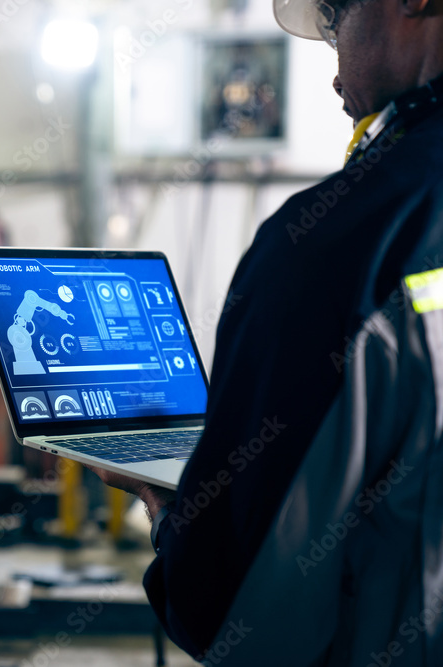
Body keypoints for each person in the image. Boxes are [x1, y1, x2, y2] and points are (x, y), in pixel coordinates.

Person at [88, 0, 443, 663]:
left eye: (336, 17)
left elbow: (232, 612)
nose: (335, 73)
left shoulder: (336, 244)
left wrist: (168, 509)